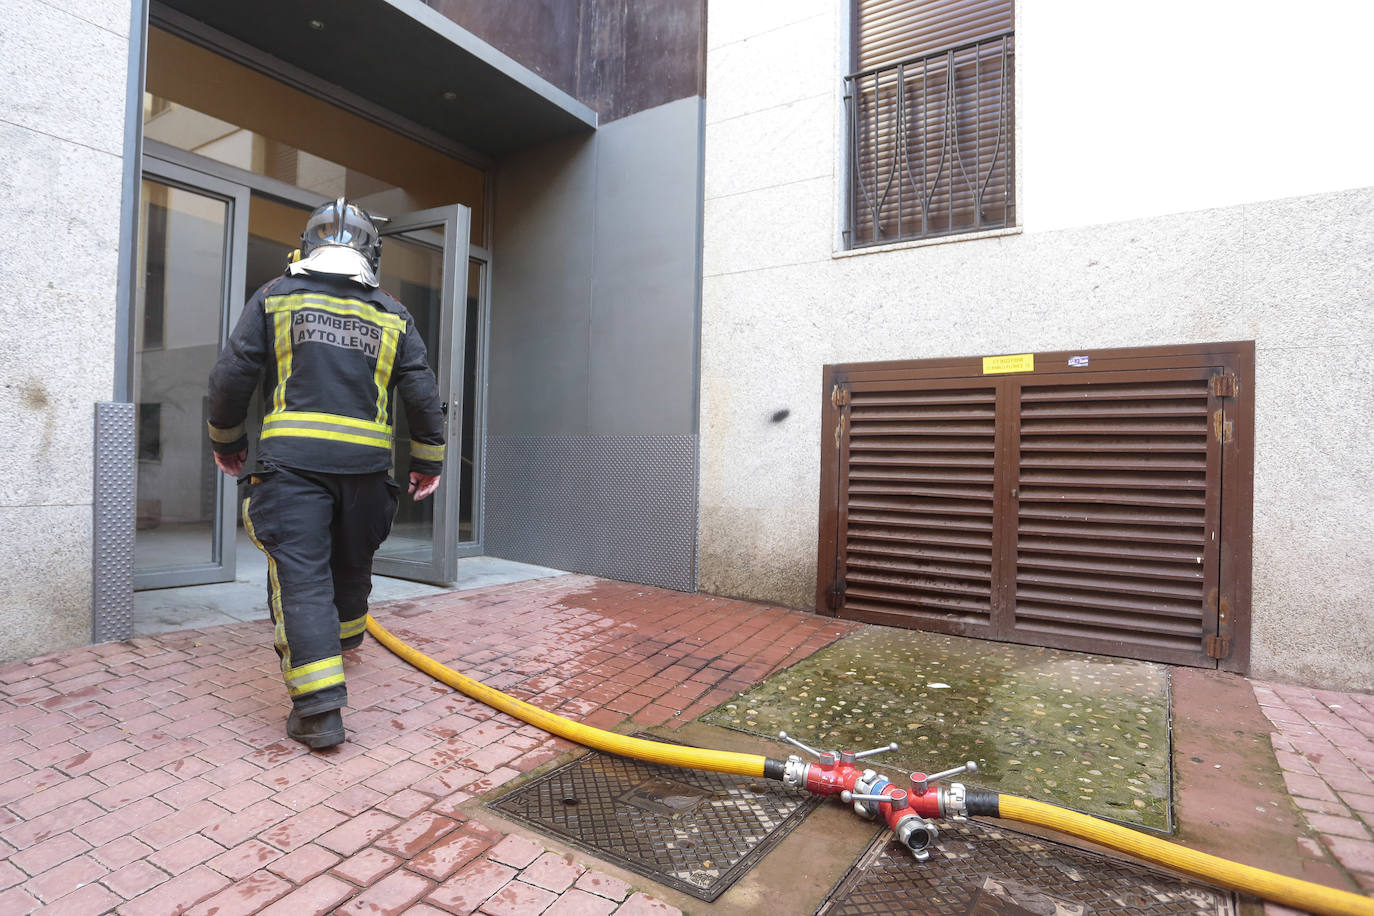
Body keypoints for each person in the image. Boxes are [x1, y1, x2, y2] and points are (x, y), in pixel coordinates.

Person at [206, 198, 446, 749]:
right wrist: (429, 459)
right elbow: (421, 391)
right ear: (372, 252)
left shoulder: (276, 297)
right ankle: (344, 646)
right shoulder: (392, 312)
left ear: (308, 243)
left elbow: (232, 375)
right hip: (367, 472)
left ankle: (318, 712)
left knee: (303, 576)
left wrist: (227, 439)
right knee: (351, 559)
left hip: (291, 469)